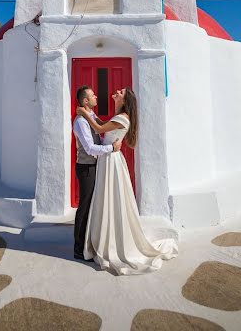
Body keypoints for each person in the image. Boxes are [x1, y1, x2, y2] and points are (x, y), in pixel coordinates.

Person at [77, 87, 179, 275]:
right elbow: (101, 124)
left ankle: (110, 239)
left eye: (121, 92)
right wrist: (88, 113)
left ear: (124, 101)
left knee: (110, 198)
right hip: (109, 159)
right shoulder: (118, 116)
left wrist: (84, 112)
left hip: (111, 160)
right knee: (106, 199)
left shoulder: (122, 117)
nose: (116, 91)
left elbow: (99, 128)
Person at [72, 85, 122, 261]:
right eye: (93, 96)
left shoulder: (91, 117)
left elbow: (101, 131)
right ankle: (78, 248)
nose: (96, 97)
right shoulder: (80, 121)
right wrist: (111, 148)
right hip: (86, 168)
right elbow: (89, 148)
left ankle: (89, 243)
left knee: (93, 205)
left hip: (95, 166)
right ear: (85, 101)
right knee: (84, 207)